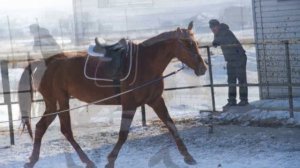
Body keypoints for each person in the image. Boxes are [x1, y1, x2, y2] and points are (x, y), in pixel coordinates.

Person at [209, 19, 248, 108]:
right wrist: (215, 41)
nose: (213, 29)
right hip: (230, 60)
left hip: (239, 58)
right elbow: (216, 42)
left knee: (241, 80)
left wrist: (215, 41)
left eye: (214, 27)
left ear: (218, 26)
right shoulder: (217, 33)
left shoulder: (225, 31)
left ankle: (244, 100)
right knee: (231, 81)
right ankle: (232, 101)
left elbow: (220, 40)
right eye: (211, 28)